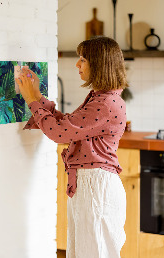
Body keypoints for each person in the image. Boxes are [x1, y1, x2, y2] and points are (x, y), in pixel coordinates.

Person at [16, 36, 128, 258]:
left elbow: (59, 133)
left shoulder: (105, 103)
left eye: (83, 59)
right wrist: (37, 96)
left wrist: (31, 100)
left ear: (99, 64)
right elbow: (67, 125)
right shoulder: (101, 98)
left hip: (96, 187)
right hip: (91, 185)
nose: (77, 64)